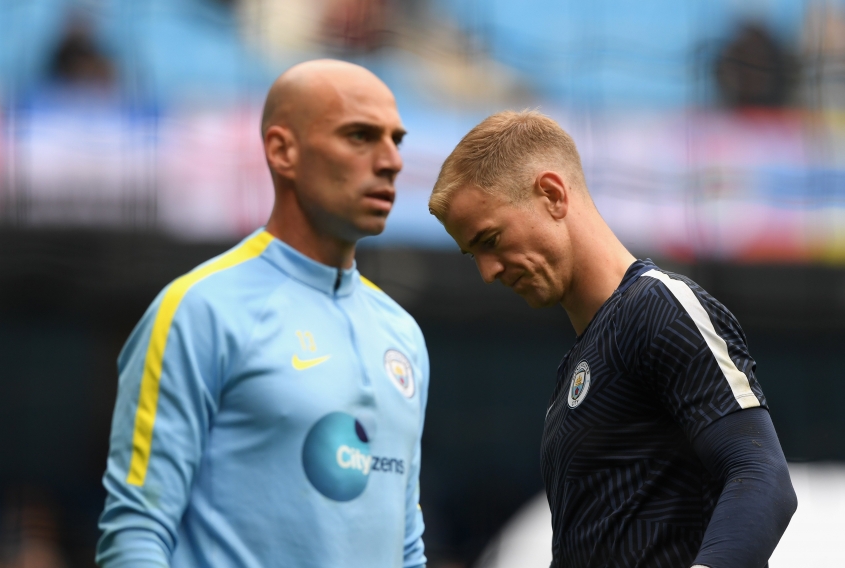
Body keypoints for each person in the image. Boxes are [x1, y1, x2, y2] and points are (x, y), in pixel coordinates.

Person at [96, 59, 429, 567]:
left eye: (396, 140)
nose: (391, 161)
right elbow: (137, 531)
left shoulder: (403, 334)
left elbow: (406, 548)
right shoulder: (197, 310)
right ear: (282, 151)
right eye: (360, 136)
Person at [428, 110, 796, 568]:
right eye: (473, 254)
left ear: (551, 194)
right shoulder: (577, 364)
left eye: (491, 239)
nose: (487, 272)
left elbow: (762, 476)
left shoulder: (659, 306)